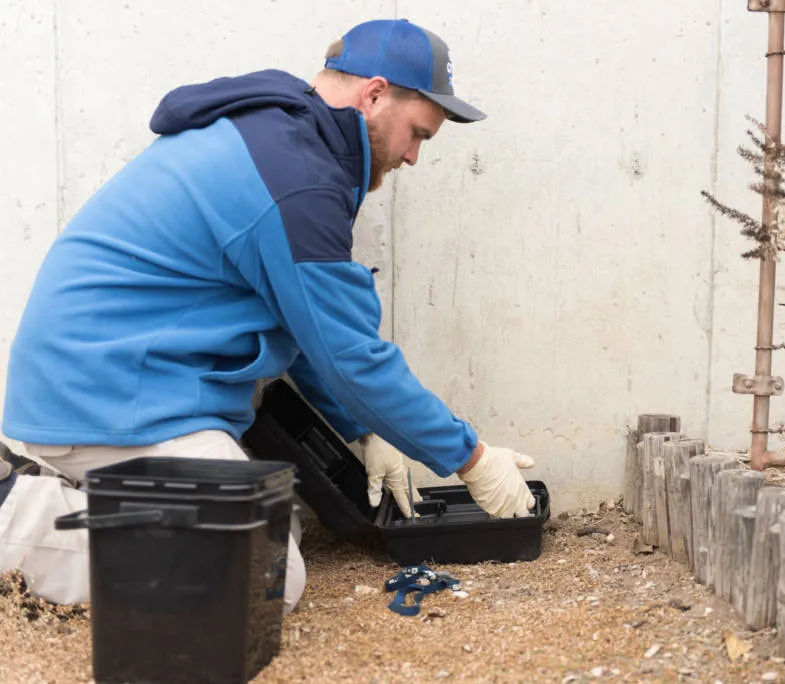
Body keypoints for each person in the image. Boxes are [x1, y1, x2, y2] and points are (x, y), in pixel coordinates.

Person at [0, 18, 537, 614]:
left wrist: (363, 429)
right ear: (376, 93)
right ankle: (13, 517)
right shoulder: (296, 179)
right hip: (114, 397)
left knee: (279, 517)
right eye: (417, 135)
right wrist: (471, 459)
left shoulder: (284, 144)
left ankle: (82, 499)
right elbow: (349, 355)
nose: (412, 157)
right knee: (260, 574)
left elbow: (304, 328)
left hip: (123, 384)